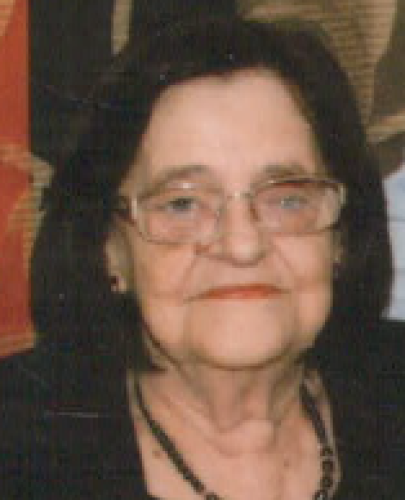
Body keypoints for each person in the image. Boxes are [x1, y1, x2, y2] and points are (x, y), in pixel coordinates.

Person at [1, 14, 402, 500]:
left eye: (287, 199)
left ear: (341, 237)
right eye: (182, 204)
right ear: (110, 249)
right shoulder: (19, 446)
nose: (242, 246)